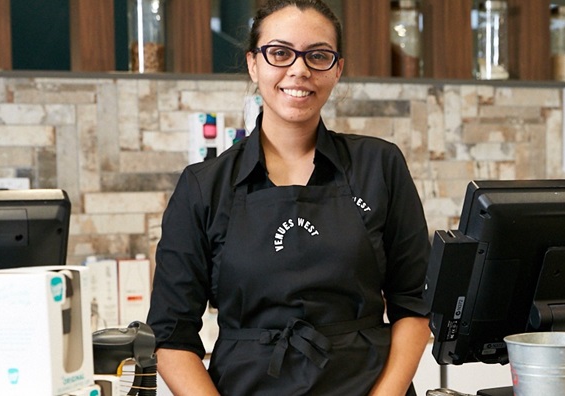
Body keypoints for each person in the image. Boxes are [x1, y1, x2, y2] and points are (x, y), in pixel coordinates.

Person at [146, 1, 432, 394]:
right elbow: (171, 336)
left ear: (337, 69)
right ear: (253, 64)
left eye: (318, 55)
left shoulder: (379, 165)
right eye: (280, 53)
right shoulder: (203, 186)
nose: (299, 70)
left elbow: (415, 305)